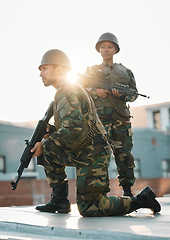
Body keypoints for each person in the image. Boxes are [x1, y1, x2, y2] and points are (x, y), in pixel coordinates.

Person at [31, 49, 161, 216]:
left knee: (90, 207)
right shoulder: (64, 91)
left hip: (94, 155)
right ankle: (59, 200)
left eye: (44, 68)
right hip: (83, 150)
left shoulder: (67, 91)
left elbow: (73, 130)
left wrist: (44, 144)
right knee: (47, 150)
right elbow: (75, 128)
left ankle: (141, 200)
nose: (41, 73)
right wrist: (52, 132)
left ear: (58, 69)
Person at [85, 32, 138, 197]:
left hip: (121, 118)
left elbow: (134, 94)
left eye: (109, 46)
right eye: (103, 47)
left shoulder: (126, 72)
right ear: (99, 50)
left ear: (115, 49)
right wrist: (96, 92)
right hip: (99, 119)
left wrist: (121, 95)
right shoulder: (92, 71)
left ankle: (127, 190)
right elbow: (81, 90)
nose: (106, 49)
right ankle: (101, 192)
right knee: (100, 154)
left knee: (124, 154)